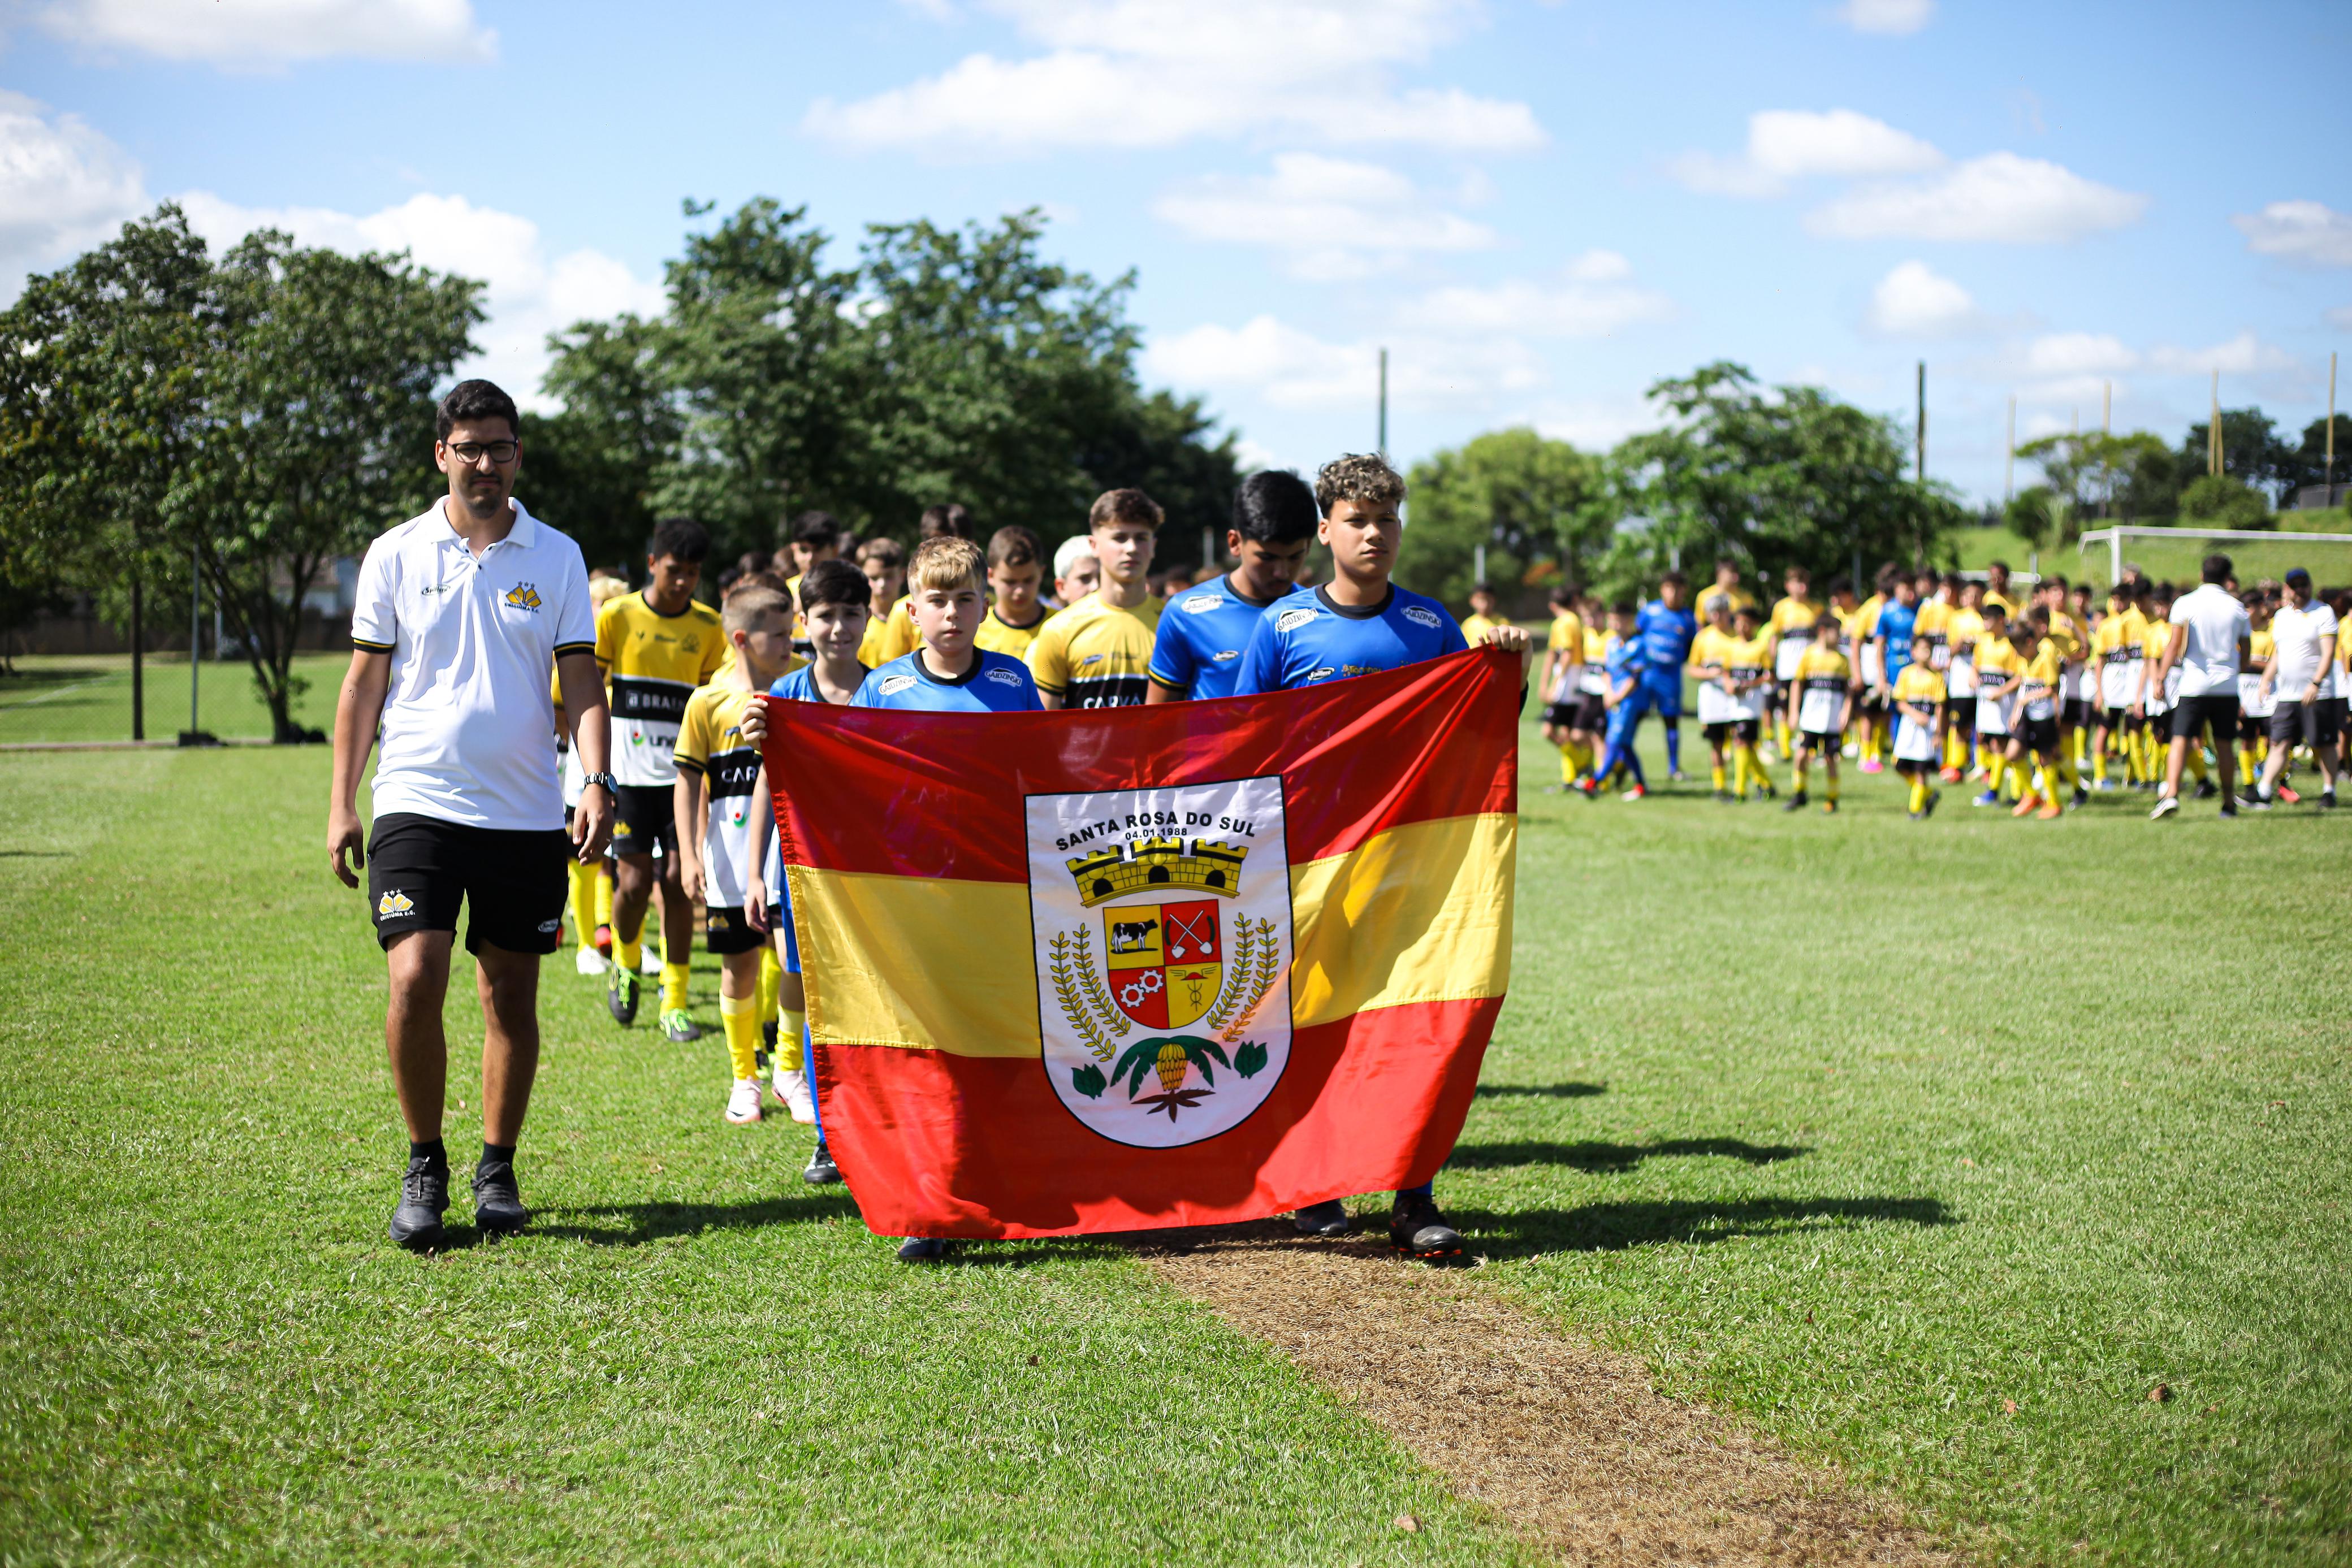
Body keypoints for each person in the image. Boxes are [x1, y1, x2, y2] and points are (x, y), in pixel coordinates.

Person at [327, 378, 611, 1249]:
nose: (484, 463)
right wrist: (343, 801)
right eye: (468, 447)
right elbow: (365, 681)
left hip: (526, 811)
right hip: (415, 798)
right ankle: (425, 1164)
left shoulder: (556, 554)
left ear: (517, 455)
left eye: (500, 447)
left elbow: (581, 679)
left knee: (509, 996)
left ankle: (497, 1165)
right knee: (415, 977)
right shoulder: (396, 552)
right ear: (440, 455)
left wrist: (594, 778)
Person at [1233, 453, 1527, 1257]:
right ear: (1325, 529)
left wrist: (1509, 668)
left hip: (1408, 862)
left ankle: (1412, 1191)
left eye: (1387, 519)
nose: (1375, 533)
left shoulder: (1432, 627)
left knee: (1411, 1019)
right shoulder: (1282, 626)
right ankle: (1314, 1182)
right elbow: (1247, 745)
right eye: (1358, 519)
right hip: (1308, 864)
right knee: (1310, 1017)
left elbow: (1476, 728)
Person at [854, 536, 1043, 1262]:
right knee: (928, 1047)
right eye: (936, 599)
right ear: (911, 609)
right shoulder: (885, 688)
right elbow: (855, 784)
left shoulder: (1013, 680)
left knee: (992, 1041)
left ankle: (998, 1182)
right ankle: (931, 1205)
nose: (952, 612)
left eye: (964, 598)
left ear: (984, 604)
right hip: (916, 899)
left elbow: (1039, 774)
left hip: (996, 894)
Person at [744, 558, 876, 1172]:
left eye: (851, 613)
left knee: (872, 999)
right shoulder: (783, 698)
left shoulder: (887, 692)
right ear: (804, 620)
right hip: (802, 877)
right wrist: (751, 874)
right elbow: (766, 789)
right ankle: (828, 1133)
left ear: (869, 615)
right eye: (825, 615)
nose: (839, 627)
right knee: (818, 1001)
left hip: (875, 878)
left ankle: (875, 1121)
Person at [673, 584, 799, 1125]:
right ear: (744, 640)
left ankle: (789, 1072)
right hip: (729, 856)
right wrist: (689, 852)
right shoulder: (707, 700)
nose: (790, 641)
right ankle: (743, 1076)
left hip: (794, 853)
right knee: (738, 965)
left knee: (793, 963)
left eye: (792, 631)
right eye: (780, 633)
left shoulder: (803, 687)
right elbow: (686, 781)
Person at [594, 518, 724, 1041]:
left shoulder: (709, 627)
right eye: (674, 570)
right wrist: (592, 769)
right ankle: (625, 965)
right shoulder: (618, 616)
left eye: (693, 573)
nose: (683, 582)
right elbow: (582, 687)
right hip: (626, 778)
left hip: (682, 781)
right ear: (652, 564)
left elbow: (716, 705)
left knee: (677, 883)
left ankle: (674, 1001)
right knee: (631, 883)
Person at [1147, 469, 1316, 704]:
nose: (1282, 571)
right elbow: (1157, 720)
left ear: (1309, 545)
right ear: (1235, 543)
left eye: (1295, 557)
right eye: (1267, 558)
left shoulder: (1321, 616)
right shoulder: (1185, 613)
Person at [1027, 488, 1163, 709]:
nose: (1131, 549)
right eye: (1119, 538)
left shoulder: (1174, 623)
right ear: (1094, 546)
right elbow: (1043, 729)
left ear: (1153, 546)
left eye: (1141, 538)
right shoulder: (1058, 630)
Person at [2150, 555, 2251, 821]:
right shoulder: (2238, 608)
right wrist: (2233, 673)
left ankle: (2171, 795)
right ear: (2228, 578)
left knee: (2180, 740)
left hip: (2194, 684)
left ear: (2201, 574)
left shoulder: (2186, 603)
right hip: (2226, 686)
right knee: (2225, 745)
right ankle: (2229, 804)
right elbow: (2246, 652)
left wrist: (2160, 678)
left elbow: (2174, 646)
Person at [2252, 567, 2340, 808]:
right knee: (2279, 742)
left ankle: (2329, 790)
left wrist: (2316, 683)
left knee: (2322, 744)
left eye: (2305, 585)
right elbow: (2279, 655)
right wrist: (2266, 680)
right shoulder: (2281, 616)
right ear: (2288, 589)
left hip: (2317, 694)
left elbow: (2329, 652)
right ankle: (2264, 791)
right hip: (2287, 693)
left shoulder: (2323, 613)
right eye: (2296, 586)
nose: (2301, 590)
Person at [1574, 602, 1650, 800]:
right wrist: (1608, 693)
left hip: (1630, 702)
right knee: (1625, 746)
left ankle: (1594, 782)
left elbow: (1635, 678)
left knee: (1613, 742)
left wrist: (1618, 696)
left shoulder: (1639, 644)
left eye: (1618, 620)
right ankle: (1642, 786)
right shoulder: (1612, 644)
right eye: (1612, 620)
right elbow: (1607, 673)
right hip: (1613, 700)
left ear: (1629, 621)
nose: (1614, 624)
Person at [1782, 616, 1852, 813]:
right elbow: (1798, 683)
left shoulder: (1842, 659)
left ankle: (1832, 799)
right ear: (1823, 631)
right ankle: (1800, 793)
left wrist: (1846, 711)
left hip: (1832, 718)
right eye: (1836, 632)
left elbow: (1849, 689)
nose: (1839, 636)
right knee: (1801, 755)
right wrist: (1794, 711)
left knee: (1831, 759)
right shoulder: (1809, 655)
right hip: (1811, 717)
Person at [1635, 573, 1698, 780]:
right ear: (1662, 589)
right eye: (1669, 587)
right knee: (1634, 717)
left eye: (1678, 589)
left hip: (1670, 677)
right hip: (1646, 675)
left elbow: (1693, 646)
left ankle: (1674, 768)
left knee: (1670, 720)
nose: (1673, 593)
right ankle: (1621, 761)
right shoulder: (1649, 612)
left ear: (1684, 591)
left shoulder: (1688, 618)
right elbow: (1635, 636)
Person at [2003, 614, 2066, 820]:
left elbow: (2052, 688)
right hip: (2027, 716)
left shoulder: (2045, 658)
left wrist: (2029, 698)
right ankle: (2031, 795)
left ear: (2030, 642)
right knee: (2012, 754)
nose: (2018, 654)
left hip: (2043, 716)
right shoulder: (2024, 660)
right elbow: (2023, 686)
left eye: (2020, 649)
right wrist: (2016, 711)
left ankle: (2054, 803)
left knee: (2046, 758)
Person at [2091, 582, 2148, 790]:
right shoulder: (2106, 625)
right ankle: (2100, 775)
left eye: (2121, 599)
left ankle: (2132, 775)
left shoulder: (2138, 620)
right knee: (2106, 728)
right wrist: (2099, 691)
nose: (2117, 604)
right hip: (2113, 685)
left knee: (2133, 728)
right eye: (2114, 599)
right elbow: (2100, 661)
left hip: (2133, 682)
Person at [1536, 586, 1591, 789]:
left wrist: (1553, 684)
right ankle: (1570, 778)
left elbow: (1566, 653)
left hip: (1568, 679)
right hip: (1575, 677)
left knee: (1548, 730)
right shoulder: (1575, 620)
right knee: (1567, 731)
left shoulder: (1563, 622)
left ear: (1553, 605)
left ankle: (1582, 764)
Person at [1766, 568, 1822, 762]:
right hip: (1788, 667)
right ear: (1788, 585)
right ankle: (1785, 749)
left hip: (1809, 668)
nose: (1802, 587)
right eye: (1798, 583)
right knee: (1785, 707)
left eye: (1805, 583)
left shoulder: (1815, 608)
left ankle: (1810, 747)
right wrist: (1771, 664)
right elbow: (1775, 636)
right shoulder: (1781, 608)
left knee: (1810, 706)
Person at [974, 526, 1054, 659]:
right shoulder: (974, 630)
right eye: (1010, 582)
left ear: (1041, 573)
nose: (1020, 591)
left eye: (1028, 580)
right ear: (991, 576)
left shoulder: (1059, 626)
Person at [1722, 604, 1775, 801]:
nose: (1742, 627)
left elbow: (1770, 676)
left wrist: (1750, 684)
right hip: (1736, 703)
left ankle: (1740, 791)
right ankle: (1766, 784)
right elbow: (1726, 672)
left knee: (1741, 743)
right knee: (1746, 745)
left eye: (1746, 623)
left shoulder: (1760, 647)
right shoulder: (1731, 647)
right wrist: (1730, 685)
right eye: (1738, 622)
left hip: (1752, 704)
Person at [1970, 602, 2020, 807]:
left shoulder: (2011, 644)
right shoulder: (1983, 642)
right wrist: (1972, 675)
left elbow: (2019, 676)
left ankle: (2000, 791)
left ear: (2001, 620)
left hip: (2005, 703)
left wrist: (2001, 691)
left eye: (1988, 619)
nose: (1985, 624)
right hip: (1986, 702)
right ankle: (2006, 791)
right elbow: (1975, 665)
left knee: (2005, 746)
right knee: (1993, 744)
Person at [1890, 639, 1945, 818]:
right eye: (1922, 649)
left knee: (1921, 768)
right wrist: (1915, 715)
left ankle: (1915, 809)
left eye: (1929, 650)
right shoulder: (1906, 674)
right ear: (1913, 652)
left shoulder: (1937, 677)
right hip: (1909, 725)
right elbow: (1900, 702)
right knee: (1899, 765)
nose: (1926, 653)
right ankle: (1929, 794)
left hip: (1928, 728)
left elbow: (1940, 707)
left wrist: (1938, 732)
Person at [1941, 577, 1984, 783]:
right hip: (1961, 674)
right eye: (1968, 595)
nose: (1972, 599)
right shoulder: (1956, 618)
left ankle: (1984, 765)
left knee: (1983, 722)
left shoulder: (1986, 617)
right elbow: (1950, 648)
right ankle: (1956, 764)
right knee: (1958, 722)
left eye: (1976, 595)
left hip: (1982, 673)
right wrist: (1960, 644)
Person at [854, 537, 908, 668]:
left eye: (889, 576)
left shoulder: (916, 620)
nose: (882, 584)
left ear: (902, 575)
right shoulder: (857, 623)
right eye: (874, 577)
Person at [1698, 558, 1756, 623]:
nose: (1736, 577)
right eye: (1732, 572)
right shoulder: (1704, 596)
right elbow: (1700, 625)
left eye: (1737, 573)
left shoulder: (1747, 598)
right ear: (1720, 574)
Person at [1460, 582, 1504, 646]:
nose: (1485, 604)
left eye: (1488, 599)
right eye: (1481, 599)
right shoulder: (1467, 625)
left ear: (1494, 600)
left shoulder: (1503, 623)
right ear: (1472, 601)